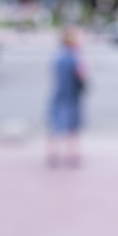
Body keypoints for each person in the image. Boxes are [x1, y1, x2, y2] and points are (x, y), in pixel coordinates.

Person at [47, 26, 87, 168]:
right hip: (71, 97)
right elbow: (81, 76)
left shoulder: (60, 56)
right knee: (72, 128)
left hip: (60, 95)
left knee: (57, 126)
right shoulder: (73, 57)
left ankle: (54, 155)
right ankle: (72, 156)